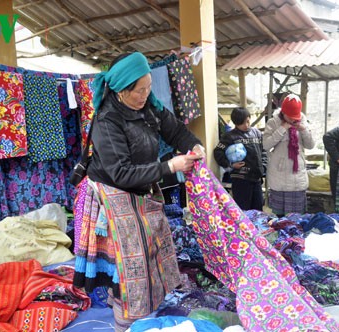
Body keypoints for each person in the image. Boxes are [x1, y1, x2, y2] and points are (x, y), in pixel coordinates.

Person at [72, 52, 204, 332]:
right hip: (114, 193)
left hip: (141, 188)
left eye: (148, 87)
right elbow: (121, 172)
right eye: (139, 90)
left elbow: (176, 131)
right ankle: (127, 325)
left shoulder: (150, 108)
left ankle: (144, 318)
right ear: (122, 90)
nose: (146, 94)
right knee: (129, 271)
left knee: (152, 257)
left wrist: (195, 146)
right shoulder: (107, 121)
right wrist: (170, 165)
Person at [263, 94, 315, 216]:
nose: (292, 120)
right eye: (290, 117)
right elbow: (266, 145)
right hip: (279, 173)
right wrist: (281, 129)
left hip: (297, 174)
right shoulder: (273, 122)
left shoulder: (302, 122)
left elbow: (311, 145)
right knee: (279, 217)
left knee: (297, 217)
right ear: (283, 112)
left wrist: (303, 130)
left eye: (294, 117)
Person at [213, 107, 265, 211]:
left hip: (257, 179)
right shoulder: (229, 136)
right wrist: (230, 164)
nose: (246, 125)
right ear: (235, 123)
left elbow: (264, 151)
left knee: (259, 211)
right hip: (240, 180)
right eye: (242, 123)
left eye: (247, 121)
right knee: (243, 211)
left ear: (249, 118)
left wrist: (264, 167)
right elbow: (217, 152)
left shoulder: (257, 133)